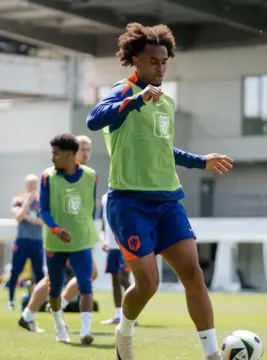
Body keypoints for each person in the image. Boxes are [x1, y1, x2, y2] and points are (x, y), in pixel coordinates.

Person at [86, 23, 234, 360]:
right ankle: (124, 334)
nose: (160, 67)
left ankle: (212, 354)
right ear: (135, 61)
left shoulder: (166, 103)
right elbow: (94, 120)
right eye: (153, 61)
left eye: (164, 61)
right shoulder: (122, 91)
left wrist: (201, 161)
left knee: (194, 275)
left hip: (168, 201)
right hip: (130, 203)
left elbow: (163, 150)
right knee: (149, 284)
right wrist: (135, 101)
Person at [18, 135, 98, 332]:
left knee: (80, 276)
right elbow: (47, 210)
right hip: (59, 239)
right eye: (83, 149)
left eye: (89, 149)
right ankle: (43, 310)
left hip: (79, 237)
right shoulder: (53, 176)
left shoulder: (87, 176)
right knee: (56, 280)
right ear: (72, 153)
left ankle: (37, 312)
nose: (86, 153)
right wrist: (57, 228)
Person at [6, 174, 44, 311]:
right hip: (22, 240)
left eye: (34, 184)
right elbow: (18, 217)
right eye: (30, 184)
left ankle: (39, 302)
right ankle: (10, 301)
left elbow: (43, 222)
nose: (32, 187)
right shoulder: (18, 199)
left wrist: (26, 218)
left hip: (36, 241)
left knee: (39, 273)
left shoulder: (42, 200)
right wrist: (27, 203)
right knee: (15, 271)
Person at [99, 192, 133, 325]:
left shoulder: (127, 195)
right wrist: (104, 240)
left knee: (124, 279)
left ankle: (132, 315)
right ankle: (118, 315)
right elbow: (103, 224)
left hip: (124, 245)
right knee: (115, 280)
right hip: (111, 246)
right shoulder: (104, 198)